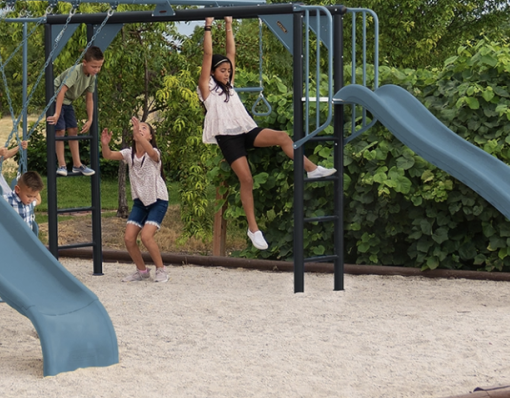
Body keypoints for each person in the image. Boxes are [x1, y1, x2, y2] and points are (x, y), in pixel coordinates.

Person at [199, 16, 335, 251]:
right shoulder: (206, 88)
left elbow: (231, 53)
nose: (227, 74)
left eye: (228, 71)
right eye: (222, 71)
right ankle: (253, 229)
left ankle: (311, 170)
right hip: (228, 137)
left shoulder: (229, 85)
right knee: (247, 180)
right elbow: (208, 56)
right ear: (212, 73)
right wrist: (209, 26)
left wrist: (229, 24)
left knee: (282, 136)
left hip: (246, 128)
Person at [101, 116, 170, 283]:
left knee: (146, 237)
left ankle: (161, 270)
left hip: (157, 199)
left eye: (145, 128)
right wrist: (105, 144)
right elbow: (108, 155)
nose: (141, 129)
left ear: (151, 137)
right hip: (140, 201)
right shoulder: (128, 154)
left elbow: (150, 151)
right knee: (129, 238)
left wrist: (138, 133)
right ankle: (142, 271)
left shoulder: (154, 154)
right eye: (139, 128)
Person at [46, 46, 104, 177]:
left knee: (73, 130)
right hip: (55, 98)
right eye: (94, 66)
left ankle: (77, 165)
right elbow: (61, 91)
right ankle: (62, 165)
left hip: (67, 101)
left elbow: (89, 99)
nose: (96, 70)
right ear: (84, 63)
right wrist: (56, 114)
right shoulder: (75, 72)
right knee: (60, 130)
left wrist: (90, 119)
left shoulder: (92, 77)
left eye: (99, 67)